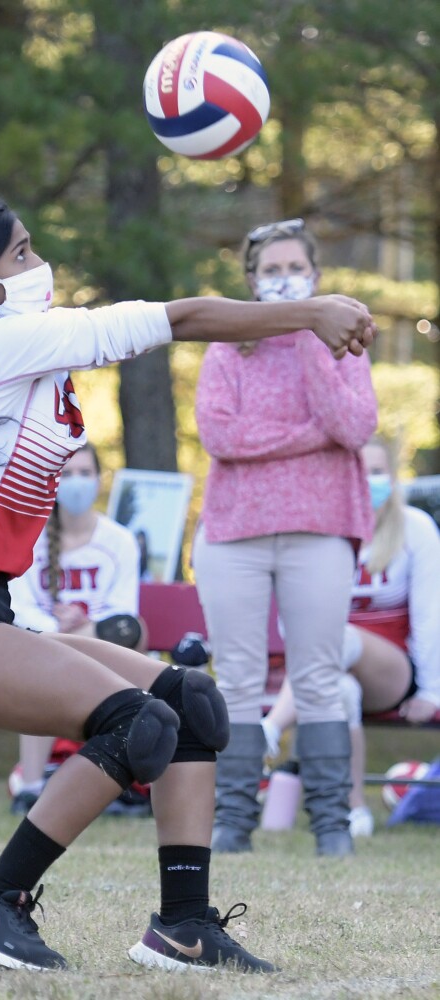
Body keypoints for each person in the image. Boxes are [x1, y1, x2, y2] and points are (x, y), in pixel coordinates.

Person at [0, 195, 374, 974]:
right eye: (21, 253)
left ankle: (185, 927)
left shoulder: (15, 345)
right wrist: (311, 312)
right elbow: (182, 318)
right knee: (138, 725)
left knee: (190, 704)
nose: (40, 264)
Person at [192, 217, 378, 858]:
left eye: (296, 268)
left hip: (320, 529)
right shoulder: (226, 350)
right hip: (235, 533)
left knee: (319, 677)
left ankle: (332, 826)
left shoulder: (346, 348)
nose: (285, 279)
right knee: (238, 679)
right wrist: (310, 438)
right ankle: (232, 823)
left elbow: (352, 427)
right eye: (271, 271)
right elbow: (222, 437)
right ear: (251, 282)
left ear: (317, 276)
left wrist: (309, 338)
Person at [262, 435, 440, 837]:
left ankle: (270, 728)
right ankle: (354, 810)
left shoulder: (415, 529)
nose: (367, 480)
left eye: (376, 471)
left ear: (391, 478)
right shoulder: (318, 531)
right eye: (358, 471)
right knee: (342, 691)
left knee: (335, 636)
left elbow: (431, 616)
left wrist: (433, 691)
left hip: (391, 671)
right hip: (326, 671)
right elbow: (294, 620)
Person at [8, 441, 150, 816]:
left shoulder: (119, 541)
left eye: (85, 473)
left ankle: (115, 782)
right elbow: (18, 608)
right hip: (42, 649)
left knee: (131, 631)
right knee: (39, 664)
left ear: (99, 480)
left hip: (105, 649)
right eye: (67, 474)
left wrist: (85, 625)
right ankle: (31, 790)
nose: (77, 482)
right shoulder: (29, 539)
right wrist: (58, 626)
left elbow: (123, 616)